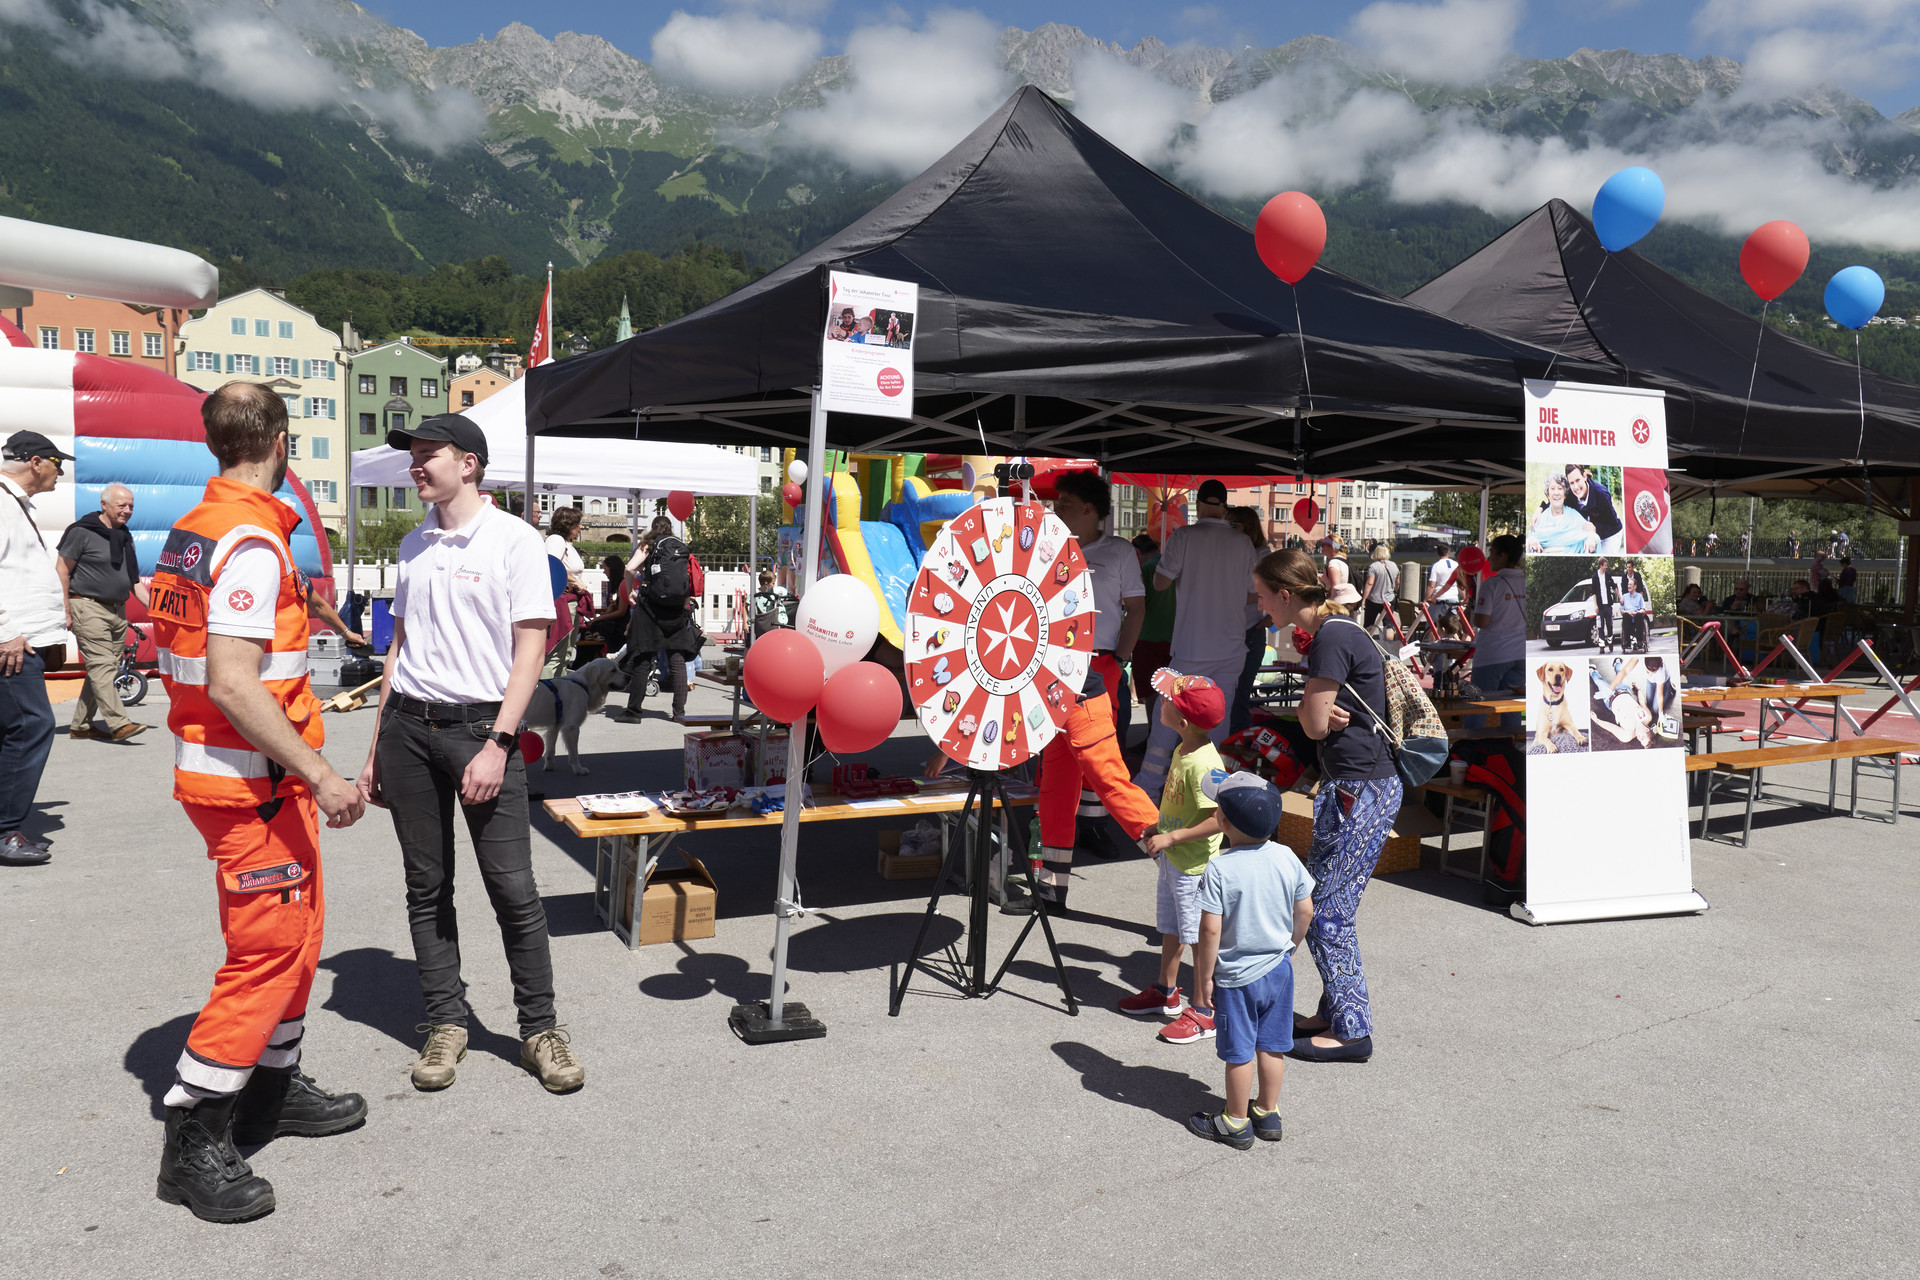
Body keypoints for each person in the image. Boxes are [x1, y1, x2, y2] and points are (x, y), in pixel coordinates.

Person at [146, 385, 368, 1222]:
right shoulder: (248, 541)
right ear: (281, 442)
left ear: (215, 443)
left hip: (253, 780)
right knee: (267, 952)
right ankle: (195, 1134)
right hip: (253, 784)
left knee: (299, 937)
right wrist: (322, 773)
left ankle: (273, 1088)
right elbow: (235, 683)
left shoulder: (198, 529)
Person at [356, 412, 584, 1096]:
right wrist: (374, 750)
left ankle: (539, 1029)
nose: (416, 465)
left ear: (469, 464)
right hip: (407, 728)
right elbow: (398, 650)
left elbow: (531, 651)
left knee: (512, 887)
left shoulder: (515, 541)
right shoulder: (412, 544)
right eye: (413, 455)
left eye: (429, 454)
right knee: (426, 885)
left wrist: (498, 744)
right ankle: (446, 1021)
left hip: (483, 730)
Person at [1252, 547, 1400, 1063]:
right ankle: (1336, 1009)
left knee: (1326, 913)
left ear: (1285, 595)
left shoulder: (1330, 637)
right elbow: (1322, 715)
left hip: (1359, 788)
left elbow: (1314, 724)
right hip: (1357, 786)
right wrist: (1316, 707)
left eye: (1262, 595)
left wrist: (1308, 707)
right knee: (1317, 903)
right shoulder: (1340, 630)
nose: (1259, 604)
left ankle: (1353, 1031)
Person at [1025, 470, 1156, 901]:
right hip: (1050, 671)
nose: (1055, 508)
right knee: (1056, 783)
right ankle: (1052, 888)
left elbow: (1136, 608)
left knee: (1104, 771)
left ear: (1088, 509)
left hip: (1096, 670)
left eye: (1063, 503)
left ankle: (1177, 861)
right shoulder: (1045, 546)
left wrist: (1120, 658)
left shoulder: (1118, 551)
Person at [1185, 772, 1314, 1149]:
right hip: (1278, 969)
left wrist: (1205, 976)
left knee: (1239, 1051)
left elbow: (1210, 930)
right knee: (1272, 1045)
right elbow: (1305, 910)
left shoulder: (1220, 868)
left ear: (1224, 824)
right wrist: (1290, 947)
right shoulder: (1287, 856)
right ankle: (1267, 1113)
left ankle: (1235, 1122)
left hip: (1237, 977)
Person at [1120, 673, 1228, 1042]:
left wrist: (1173, 837)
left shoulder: (1205, 764)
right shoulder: (1184, 749)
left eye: (1167, 701)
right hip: (1175, 858)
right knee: (1171, 927)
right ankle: (1166, 991)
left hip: (1192, 865)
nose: (1161, 704)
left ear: (1182, 722)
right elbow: (1183, 805)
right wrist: (1159, 827)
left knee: (1197, 936)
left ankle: (1203, 1010)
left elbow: (1218, 819)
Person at [1134, 478, 1258, 797]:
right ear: (1224, 507)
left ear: (1199, 505)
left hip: (1191, 646)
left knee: (1169, 712)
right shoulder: (1243, 543)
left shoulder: (1184, 536)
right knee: (1217, 718)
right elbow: (1251, 594)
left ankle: (1149, 784)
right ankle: (1210, 789)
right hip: (1231, 647)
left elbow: (1160, 583)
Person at [0, 430, 75, 866]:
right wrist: (5, 632)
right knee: (31, 725)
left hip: (23, 640)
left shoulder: (15, 504)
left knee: (13, 728)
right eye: (56, 463)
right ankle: (5, 829)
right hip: (12, 643)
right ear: (35, 462)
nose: (59, 472)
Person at [56, 482, 152, 741]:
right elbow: (62, 570)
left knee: (104, 669)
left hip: (117, 611)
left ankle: (81, 726)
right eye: (122, 505)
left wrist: (154, 609)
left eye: (131, 506)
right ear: (104, 505)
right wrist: (65, 610)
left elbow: (133, 581)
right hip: (87, 606)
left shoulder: (125, 536)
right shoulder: (81, 531)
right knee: (101, 665)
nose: (127, 511)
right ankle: (119, 724)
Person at [616, 516, 704, 722]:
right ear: (670, 528)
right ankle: (679, 712)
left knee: (643, 658)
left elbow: (629, 568)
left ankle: (633, 712)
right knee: (677, 660)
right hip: (675, 610)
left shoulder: (649, 544)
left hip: (650, 608)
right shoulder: (680, 547)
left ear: (653, 528)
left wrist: (630, 591)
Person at [1226, 506, 1269, 735]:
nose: (1228, 529)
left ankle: (1238, 744)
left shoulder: (1262, 555)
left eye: (1233, 525)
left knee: (1239, 695)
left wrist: (1271, 618)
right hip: (1230, 629)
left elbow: (1272, 591)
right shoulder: (1228, 551)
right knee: (1227, 694)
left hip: (1250, 630)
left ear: (1248, 527)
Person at [1469, 534, 1526, 697]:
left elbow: (1482, 621)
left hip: (1493, 654)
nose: (1488, 558)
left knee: (1480, 703)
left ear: (1503, 556)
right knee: (1511, 705)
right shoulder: (1527, 582)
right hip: (1521, 653)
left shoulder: (1491, 584)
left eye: (1492, 552)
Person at [1129, 533, 1174, 715]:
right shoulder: (1172, 567)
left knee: (1151, 690)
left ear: (1137, 553)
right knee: (1171, 690)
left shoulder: (1145, 570)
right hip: (1175, 638)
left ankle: (1153, 730)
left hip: (1147, 638)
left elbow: (1135, 605)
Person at [542, 506, 589, 678]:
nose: (581, 527)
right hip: (562, 603)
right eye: (578, 523)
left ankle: (557, 689)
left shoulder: (565, 542)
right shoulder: (556, 541)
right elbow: (551, 566)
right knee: (556, 652)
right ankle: (545, 690)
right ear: (568, 524)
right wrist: (574, 582)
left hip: (569, 602)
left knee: (565, 653)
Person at [1525, 472, 1597, 553]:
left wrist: (1591, 537)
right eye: (1552, 489)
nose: (1556, 493)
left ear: (1565, 494)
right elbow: (1531, 536)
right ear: (1548, 494)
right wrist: (1532, 540)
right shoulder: (1540, 518)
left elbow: (1591, 533)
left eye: (1560, 489)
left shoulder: (1574, 515)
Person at [1564, 464, 1623, 552]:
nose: (1576, 487)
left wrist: (1595, 528)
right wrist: (1542, 508)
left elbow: (1611, 524)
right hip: (1588, 532)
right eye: (1572, 483)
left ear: (1584, 476)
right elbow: (1556, 501)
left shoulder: (1601, 494)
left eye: (1578, 480)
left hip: (1609, 534)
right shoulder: (1570, 493)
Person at [1362, 544, 1399, 632]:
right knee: (1389, 625)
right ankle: (1389, 640)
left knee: (1369, 624)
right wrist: (1394, 590)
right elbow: (1397, 582)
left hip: (1373, 599)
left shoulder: (1373, 566)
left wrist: (1364, 599)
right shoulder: (1394, 565)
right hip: (1389, 599)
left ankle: (1368, 639)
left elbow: (1369, 583)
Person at [750, 567, 792, 640]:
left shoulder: (772, 594)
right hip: (757, 623)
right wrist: (745, 622)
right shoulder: (755, 594)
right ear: (766, 583)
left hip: (766, 622)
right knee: (752, 642)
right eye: (773, 583)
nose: (774, 585)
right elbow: (745, 606)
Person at [1425, 544, 1461, 623]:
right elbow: (1461, 584)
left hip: (1439, 599)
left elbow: (1431, 586)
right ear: (1448, 552)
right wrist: (1464, 598)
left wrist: (1426, 600)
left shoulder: (1435, 566)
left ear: (1437, 553)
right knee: (1452, 625)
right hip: (1454, 599)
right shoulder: (1457, 565)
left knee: (1433, 625)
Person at [1590, 556, 1618, 653]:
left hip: (1608, 605)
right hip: (1600, 606)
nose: (1606, 567)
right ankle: (1602, 646)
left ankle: (1610, 641)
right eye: (1605, 565)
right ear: (1601, 565)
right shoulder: (1595, 577)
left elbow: (1614, 587)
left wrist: (1620, 597)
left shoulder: (1608, 575)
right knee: (1600, 626)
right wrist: (1596, 606)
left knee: (1609, 625)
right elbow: (1594, 593)